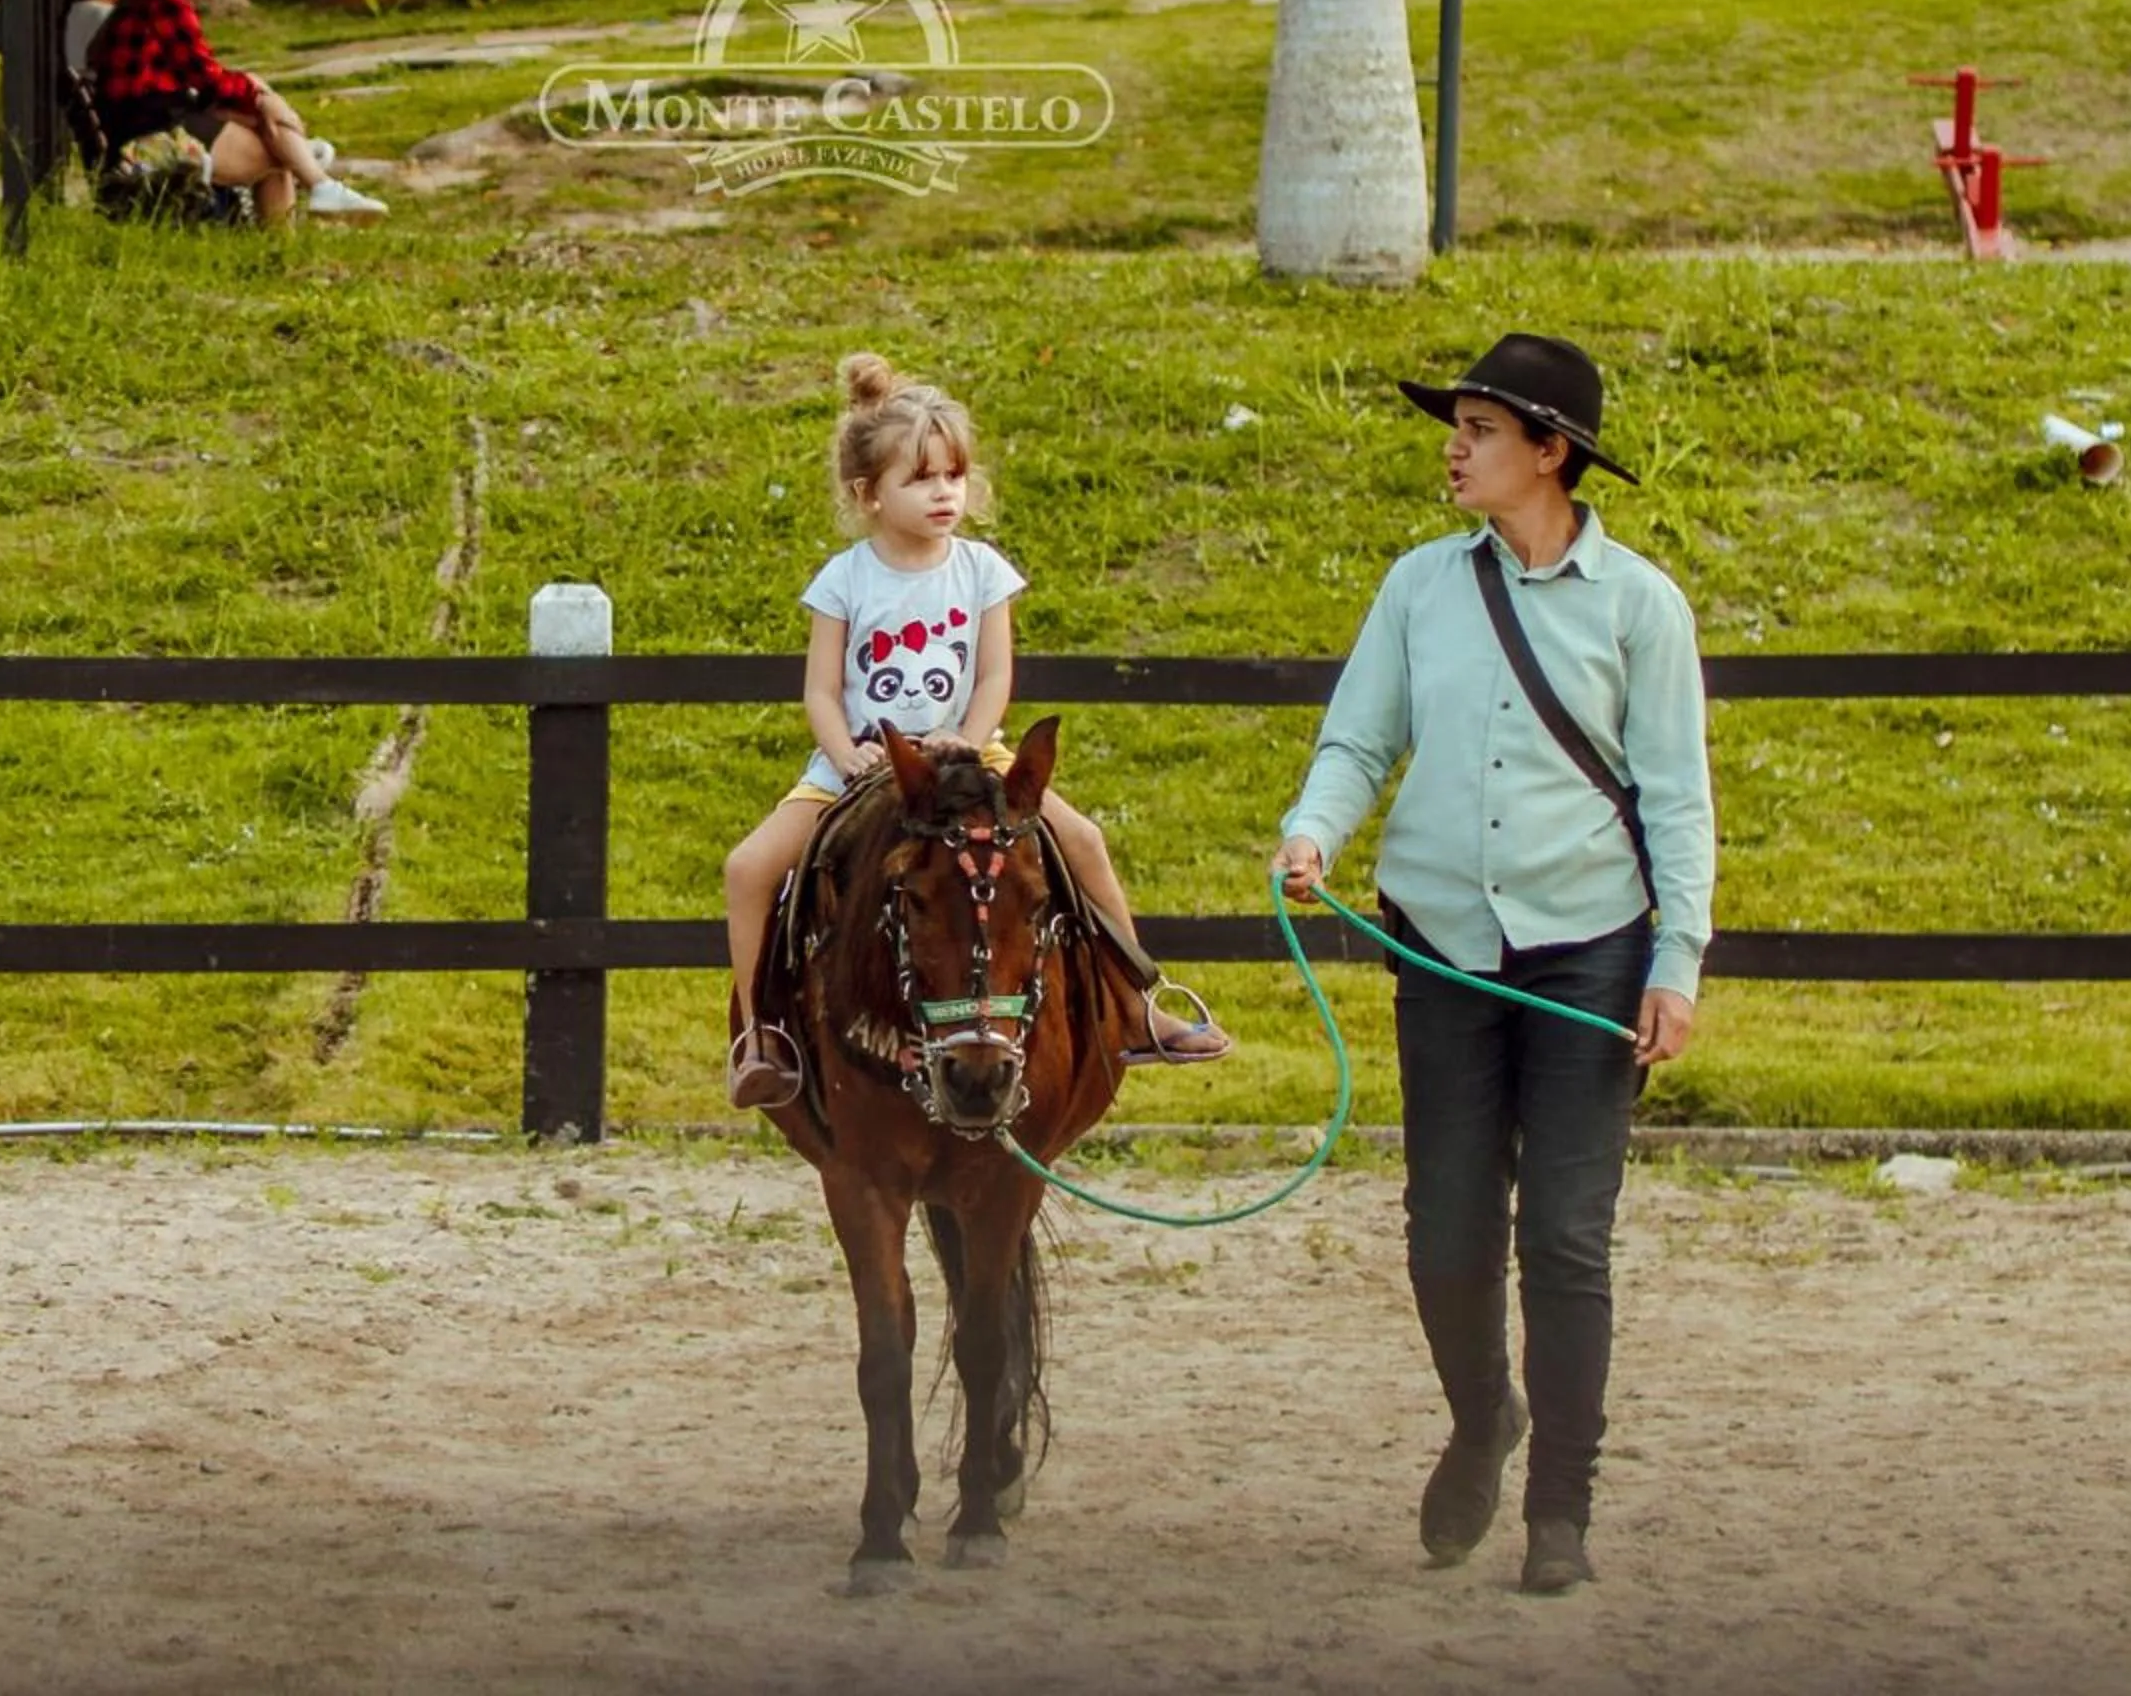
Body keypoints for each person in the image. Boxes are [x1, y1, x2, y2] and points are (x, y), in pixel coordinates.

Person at [1270, 333, 1714, 1597]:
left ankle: (1559, 1510)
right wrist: (1315, 829)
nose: (1453, 448)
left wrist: (1675, 957)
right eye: (1455, 425)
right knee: (1446, 1236)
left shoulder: (1643, 606)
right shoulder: (1418, 585)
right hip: (1447, 950)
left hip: (1592, 956)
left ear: (1551, 453)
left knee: (1567, 1239)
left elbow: (1679, 799)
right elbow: (1360, 740)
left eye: (1478, 428)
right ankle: (1483, 1420)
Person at [724, 353, 1233, 1110]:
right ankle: (764, 1033)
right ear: (869, 495)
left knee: (1083, 840)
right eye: (922, 478)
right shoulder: (846, 579)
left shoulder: (983, 571)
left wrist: (969, 734)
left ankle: (1137, 1003)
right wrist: (845, 754)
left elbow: (994, 675)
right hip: (862, 762)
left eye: (953, 476)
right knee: (748, 867)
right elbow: (823, 691)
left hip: (973, 752)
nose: (943, 494)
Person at [92, 0, 389, 223]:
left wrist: (254, 96)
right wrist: (261, 97)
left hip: (147, 118)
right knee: (278, 154)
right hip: (154, 130)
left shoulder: (139, 6)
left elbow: (195, 80)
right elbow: (206, 77)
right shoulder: (165, 5)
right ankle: (313, 178)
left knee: (266, 122)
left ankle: (313, 176)